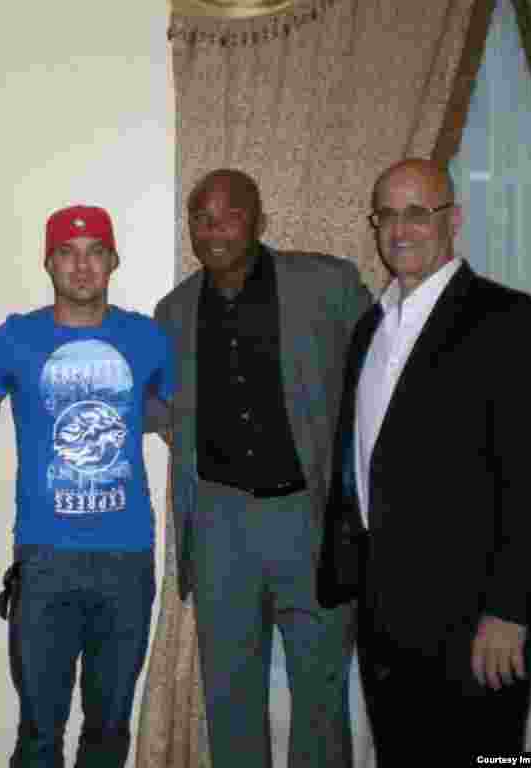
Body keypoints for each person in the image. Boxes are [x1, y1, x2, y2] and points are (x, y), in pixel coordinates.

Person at [318, 158, 531, 763]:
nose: (400, 229)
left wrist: (510, 611)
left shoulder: (513, 321)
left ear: (453, 219)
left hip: (478, 620)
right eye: (387, 215)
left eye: (418, 213)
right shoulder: (370, 329)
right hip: (385, 612)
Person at [151, 169, 371, 768]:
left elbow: (380, 372)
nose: (214, 229)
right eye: (201, 218)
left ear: (260, 221)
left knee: (321, 690)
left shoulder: (327, 284)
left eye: (230, 215)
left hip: (308, 515)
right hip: (219, 524)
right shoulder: (172, 312)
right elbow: (154, 402)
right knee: (229, 693)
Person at [0, 205, 175, 767]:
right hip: (45, 558)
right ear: (49, 263)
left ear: (114, 261)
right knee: (39, 730)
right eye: (67, 253)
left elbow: (177, 422)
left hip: (126, 559)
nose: (82, 266)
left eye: (95, 253)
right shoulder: (13, 340)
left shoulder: (147, 338)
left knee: (109, 729)